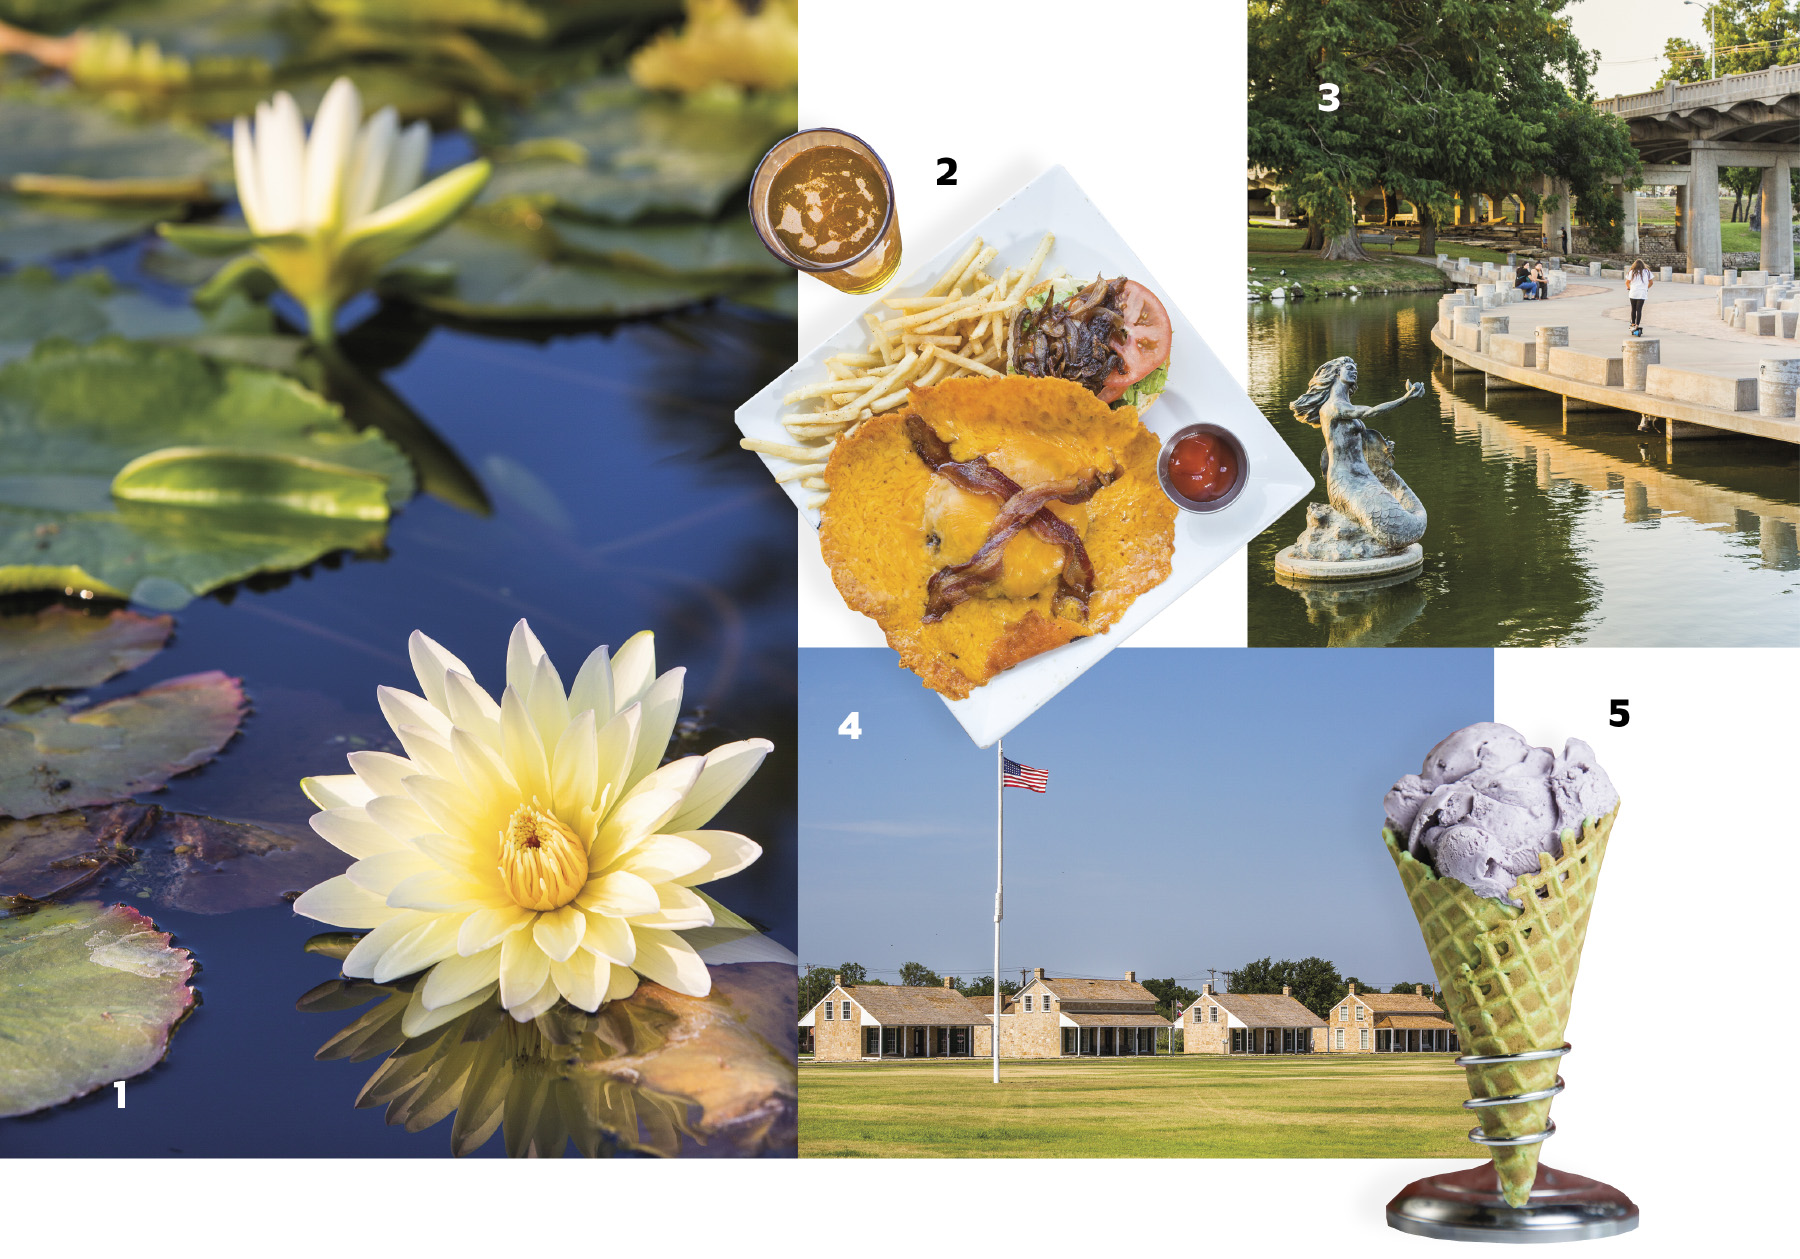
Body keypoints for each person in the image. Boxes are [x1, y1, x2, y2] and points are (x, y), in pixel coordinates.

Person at [1626, 259, 1653, 335]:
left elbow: (1627, 282)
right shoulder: (1647, 272)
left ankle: (1633, 324)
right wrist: (1646, 288)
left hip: (1633, 292)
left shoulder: (1632, 272)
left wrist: (1629, 287)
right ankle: (1637, 325)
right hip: (1642, 293)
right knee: (1639, 309)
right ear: (1643, 265)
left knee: (1633, 309)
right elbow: (1651, 282)